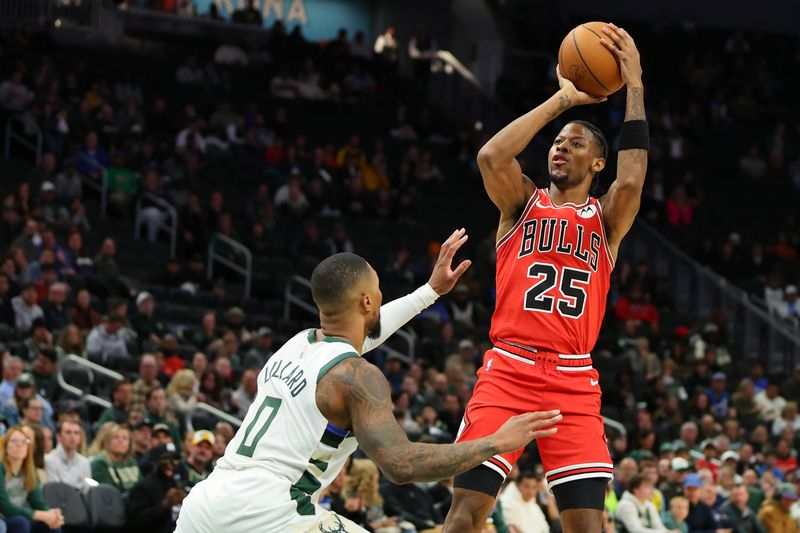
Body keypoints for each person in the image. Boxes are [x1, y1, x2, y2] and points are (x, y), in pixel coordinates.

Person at [176, 231, 562, 532]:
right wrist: (497, 442)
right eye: (377, 289)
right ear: (365, 302)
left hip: (206, 503)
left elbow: (364, 336)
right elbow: (401, 465)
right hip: (267, 513)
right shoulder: (358, 377)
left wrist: (428, 293)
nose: (380, 296)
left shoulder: (297, 345)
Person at [443, 24, 646, 533]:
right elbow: (491, 156)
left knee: (586, 527)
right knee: (465, 515)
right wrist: (562, 101)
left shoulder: (605, 221)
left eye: (575, 144)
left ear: (596, 161)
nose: (560, 148)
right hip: (507, 370)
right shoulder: (521, 204)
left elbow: (632, 178)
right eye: (557, 142)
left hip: (573, 380)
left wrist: (635, 84)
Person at [0, 427, 64, 532]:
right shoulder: (1, 469)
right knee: (20, 523)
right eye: (14, 441)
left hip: (19, 516)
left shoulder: (29, 472)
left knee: (52, 526)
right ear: (6, 447)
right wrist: (39, 514)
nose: (19, 445)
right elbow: (5, 507)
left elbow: (38, 503)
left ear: (28, 448)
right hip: (3, 518)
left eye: (24, 441)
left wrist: (53, 516)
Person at [127, 443, 187, 533]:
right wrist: (164, 506)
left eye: (175, 460)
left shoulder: (176, 484)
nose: (170, 464)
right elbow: (137, 522)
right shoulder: (142, 487)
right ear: (156, 461)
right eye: (166, 460)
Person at [89, 422, 141, 493]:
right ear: (108, 441)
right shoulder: (100, 463)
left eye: (125, 438)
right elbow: (108, 492)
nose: (120, 441)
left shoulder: (132, 463)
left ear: (130, 444)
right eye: (116, 437)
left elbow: (142, 487)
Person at [44, 420, 90, 489]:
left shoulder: (85, 462)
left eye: (76, 433)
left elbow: (87, 490)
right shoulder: (48, 460)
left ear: (80, 437)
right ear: (58, 436)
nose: (72, 436)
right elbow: (54, 490)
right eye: (68, 432)